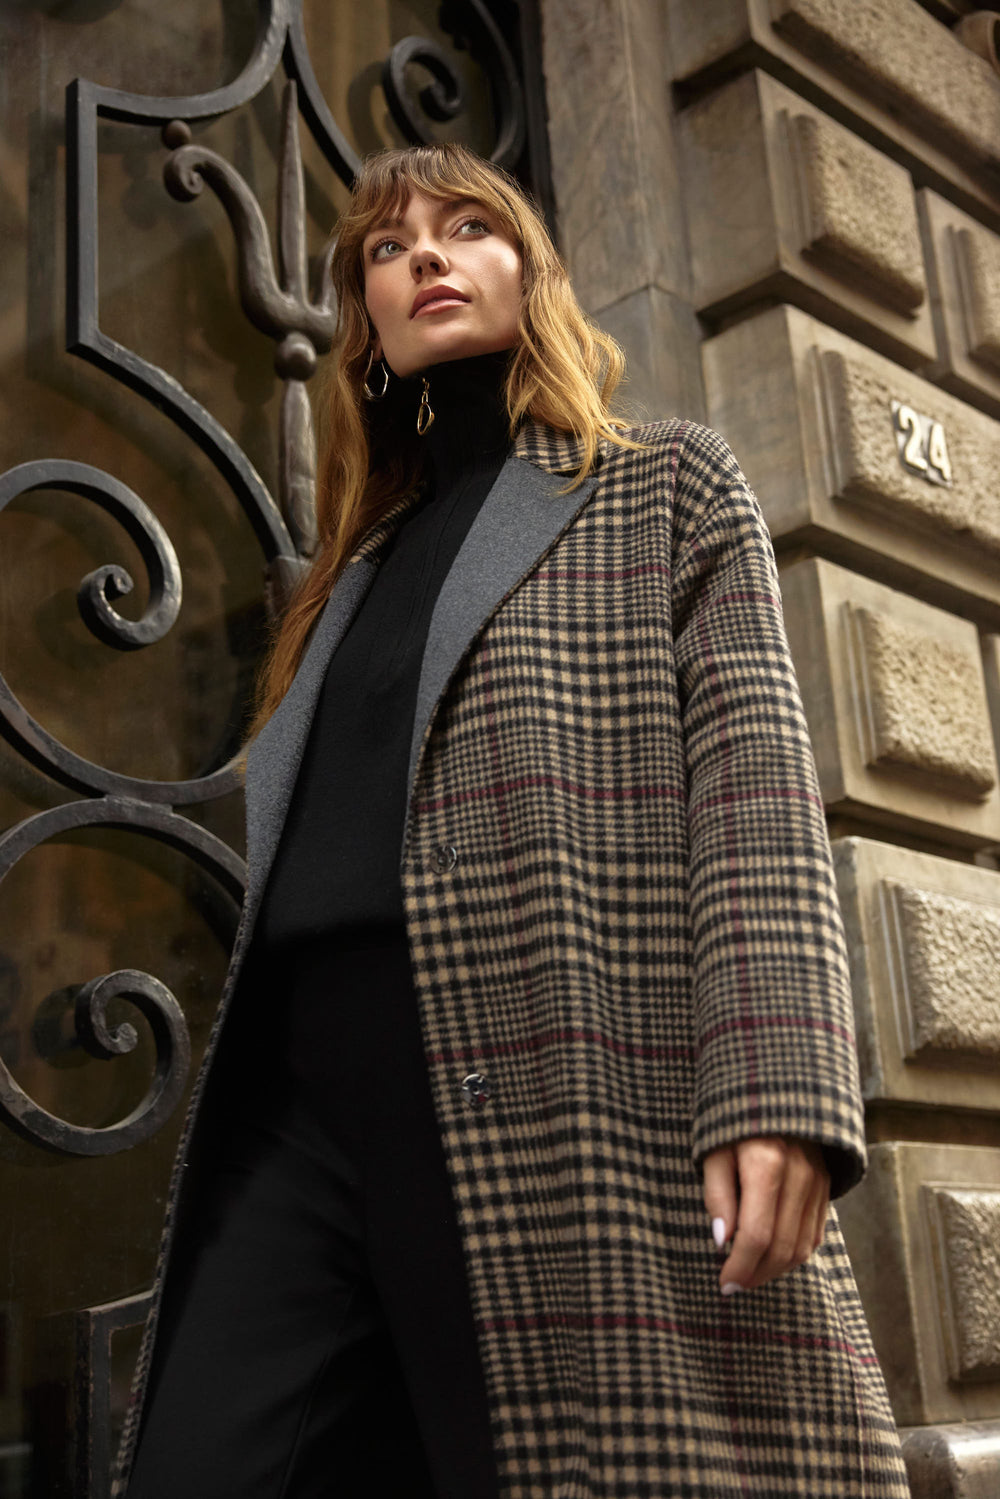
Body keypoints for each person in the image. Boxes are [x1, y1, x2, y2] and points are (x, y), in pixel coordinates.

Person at [118, 144, 910, 1498]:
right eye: (386, 248)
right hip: (299, 1099)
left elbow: (756, 796)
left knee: (532, 1462)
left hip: (535, 1060)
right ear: (364, 324)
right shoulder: (341, 582)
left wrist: (778, 1085)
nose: (424, 255)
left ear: (527, 269)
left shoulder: (663, 487)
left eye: (465, 227)